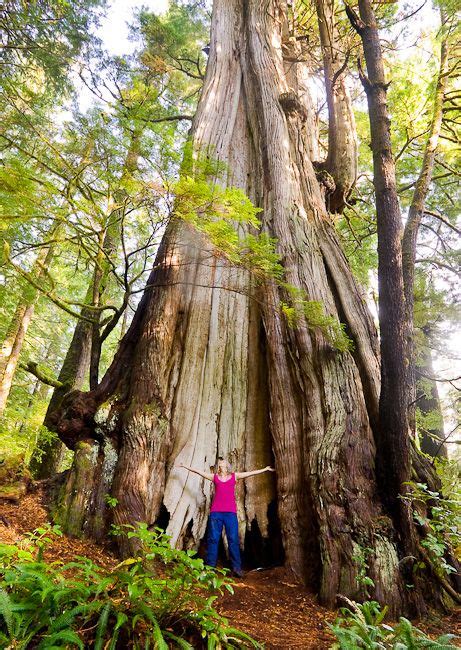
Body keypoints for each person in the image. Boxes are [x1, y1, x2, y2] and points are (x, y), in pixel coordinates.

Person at [176, 457, 275, 578]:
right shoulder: (214, 477)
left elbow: (250, 473)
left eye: (222, 464)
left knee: (233, 540)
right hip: (216, 513)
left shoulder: (235, 476)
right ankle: (210, 568)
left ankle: (237, 569)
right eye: (219, 464)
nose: (220, 465)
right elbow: (198, 472)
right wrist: (185, 466)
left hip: (230, 513)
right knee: (213, 539)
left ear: (227, 466)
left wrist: (264, 469)